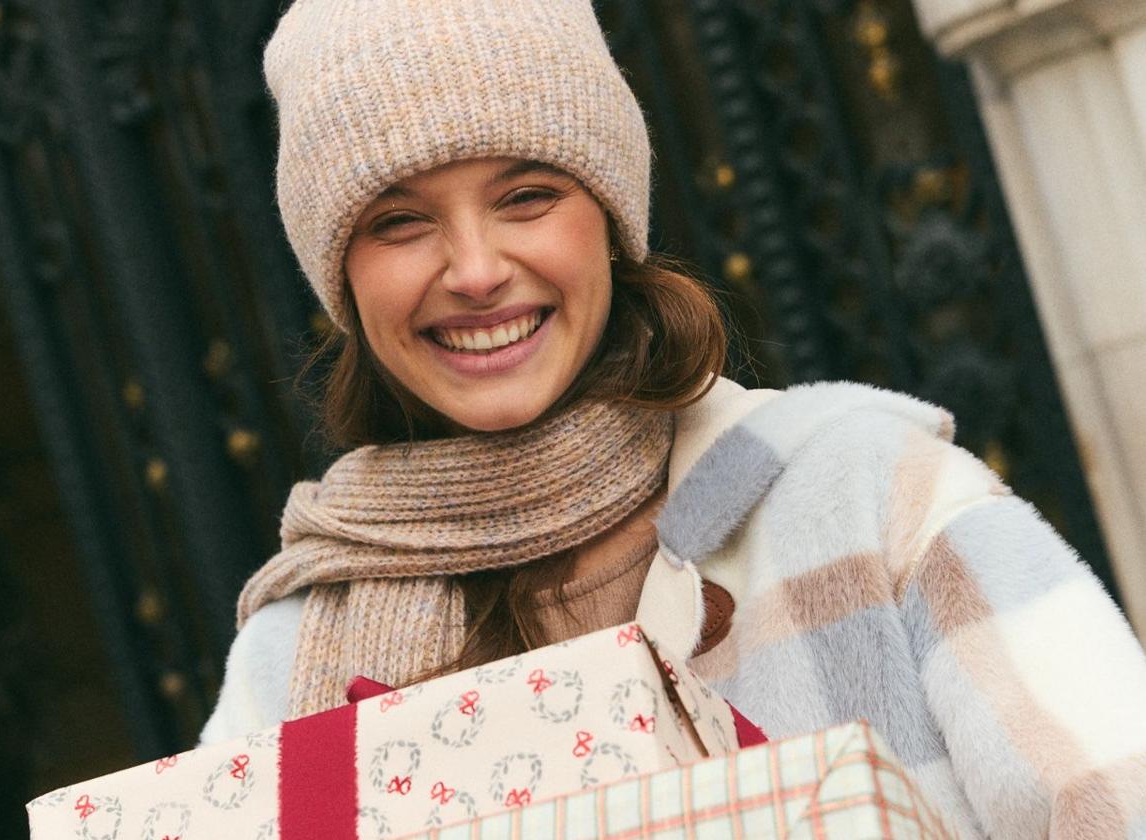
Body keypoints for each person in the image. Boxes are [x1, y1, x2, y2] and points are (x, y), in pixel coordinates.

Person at [201, 0, 1146, 835]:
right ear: (342, 279)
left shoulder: (873, 498)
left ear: (610, 223)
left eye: (527, 197)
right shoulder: (289, 661)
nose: (476, 268)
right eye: (399, 223)